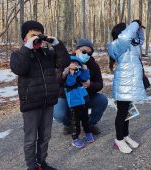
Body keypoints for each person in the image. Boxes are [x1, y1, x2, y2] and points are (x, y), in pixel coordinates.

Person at [10, 20, 69, 170]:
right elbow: (19, 69)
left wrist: (56, 43)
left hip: (47, 101)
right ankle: (32, 166)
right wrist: (28, 47)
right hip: (31, 103)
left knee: (45, 136)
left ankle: (42, 162)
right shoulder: (18, 54)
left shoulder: (47, 54)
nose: (36, 38)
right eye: (32, 35)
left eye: (38, 35)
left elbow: (64, 61)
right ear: (25, 38)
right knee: (30, 139)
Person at [54, 39, 108, 135]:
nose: (86, 55)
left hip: (85, 97)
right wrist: (64, 74)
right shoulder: (65, 60)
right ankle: (69, 124)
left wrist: (90, 84)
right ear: (76, 50)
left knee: (102, 100)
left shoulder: (92, 64)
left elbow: (100, 84)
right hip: (66, 97)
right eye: (84, 51)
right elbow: (55, 82)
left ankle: (90, 124)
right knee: (58, 113)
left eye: (89, 53)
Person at [107, 20, 146, 154]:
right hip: (123, 84)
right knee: (122, 113)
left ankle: (125, 136)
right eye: (128, 29)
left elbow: (140, 41)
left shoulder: (131, 45)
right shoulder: (117, 44)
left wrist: (139, 29)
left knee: (127, 113)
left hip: (130, 83)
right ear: (121, 32)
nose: (131, 31)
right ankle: (118, 139)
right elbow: (126, 36)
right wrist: (134, 23)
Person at [64, 56, 94, 148]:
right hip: (74, 100)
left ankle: (88, 132)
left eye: (77, 63)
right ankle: (75, 138)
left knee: (86, 117)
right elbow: (70, 83)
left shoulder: (80, 71)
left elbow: (85, 78)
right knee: (75, 120)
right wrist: (72, 73)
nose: (75, 65)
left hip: (83, 98)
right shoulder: (69, 74)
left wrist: (85, 70)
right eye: (72, 63)